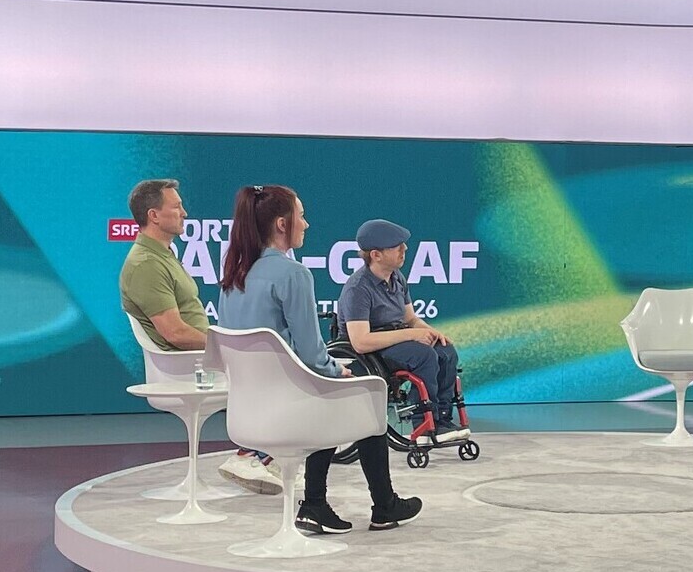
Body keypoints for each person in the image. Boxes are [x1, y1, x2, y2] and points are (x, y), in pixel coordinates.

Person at [214, 184, 424, 534]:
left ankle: (318, 505)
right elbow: (313, 357)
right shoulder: (293, 274)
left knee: (342, 396)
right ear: (282, 224)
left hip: (244, 411)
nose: (307, 224)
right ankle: (377, 505)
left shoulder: (234, 275)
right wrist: (337, 370)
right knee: (369, 399)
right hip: (288, 408)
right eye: (301, 215)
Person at [115, 178, 281, 495]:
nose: (185, 213)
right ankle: (250, 454)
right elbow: (175, 333)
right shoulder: (146, 264)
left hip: (198, 359)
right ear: (153, 215)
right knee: (267, 368)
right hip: (184, 366)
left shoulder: (162, 256)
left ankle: (265, 457)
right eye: (176, 207)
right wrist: (228, 344)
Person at [336, 218, 468, 446]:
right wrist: (411, 335)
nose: (404, 249)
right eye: (396, 246)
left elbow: (410, 319)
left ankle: (442, 419)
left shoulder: (397, 277)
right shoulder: (358, 288)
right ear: (376, 255)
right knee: (424, 356)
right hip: (370, 351)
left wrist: (433, 333)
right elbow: (360, 342)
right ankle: (423, 423)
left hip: (396, 340)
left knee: (446, 351)